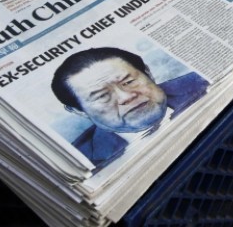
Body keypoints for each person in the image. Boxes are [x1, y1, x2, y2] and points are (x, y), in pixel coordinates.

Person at [51, 47, 209, 168]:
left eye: (129, 82)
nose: (126, 96)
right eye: (101, 96)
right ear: (79, 111)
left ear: (147, 73)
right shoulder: (82, 162)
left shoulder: (204, 79)